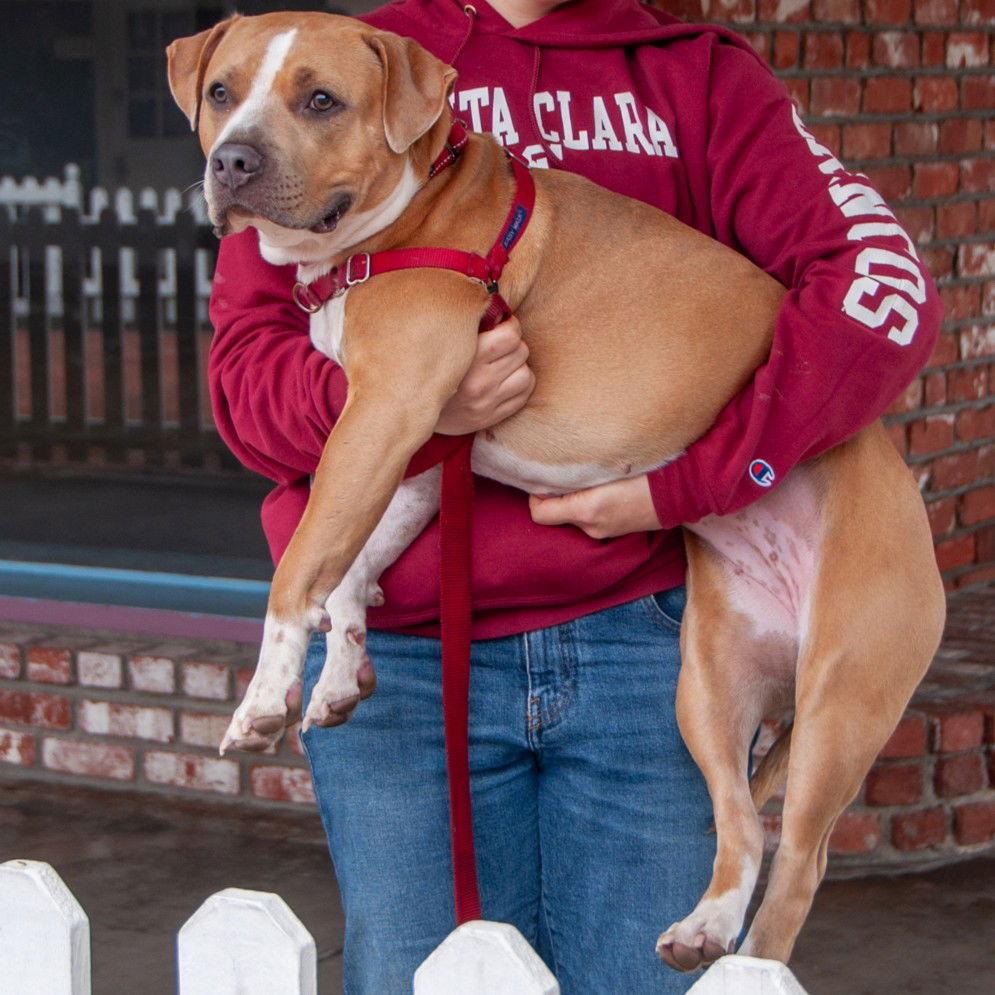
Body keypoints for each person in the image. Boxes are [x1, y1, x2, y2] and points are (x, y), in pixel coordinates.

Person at [208, 1, 941, 991]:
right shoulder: (332, 69)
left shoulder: (693, 73)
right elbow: (242, 385)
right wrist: (409, 396)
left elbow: (880, 294)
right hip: (406, 657)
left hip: (638, 641)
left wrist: (698, 478)